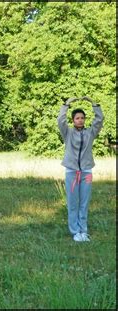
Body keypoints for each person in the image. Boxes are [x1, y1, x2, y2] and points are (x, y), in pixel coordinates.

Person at [57, 96, 103, 242]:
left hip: (86, 173)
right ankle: (75, 231)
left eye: (82, 118)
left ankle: (83, 230)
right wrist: (67, 104)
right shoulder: (68, 133)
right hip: (71, 172)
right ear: (73, 120)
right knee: (73, 203)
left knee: (84, 202)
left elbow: (99, 120)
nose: (80, 120)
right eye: (77, 118)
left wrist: (94, 103)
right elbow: (60, 121)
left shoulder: (90, 133)